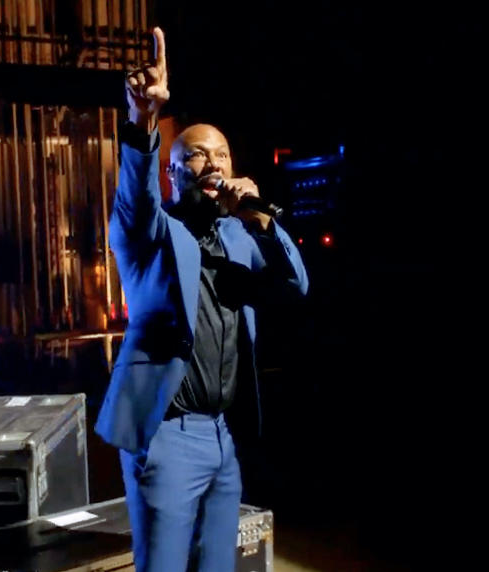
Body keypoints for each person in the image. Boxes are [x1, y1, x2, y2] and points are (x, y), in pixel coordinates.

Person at [94, 27, 309, 572]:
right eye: (196, 155)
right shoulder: (150, 231)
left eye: (222, 153)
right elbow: (134, 192)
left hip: (223, 436)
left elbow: (295, 286)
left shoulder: (239, 235)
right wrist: (143, 118)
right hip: (166, 431)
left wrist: (260, 220)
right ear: (171, 171)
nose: (213, 162)